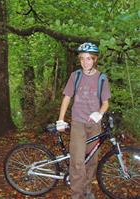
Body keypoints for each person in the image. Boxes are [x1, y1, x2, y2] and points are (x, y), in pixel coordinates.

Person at [56, 42, 111, 199]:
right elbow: (67, 97)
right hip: (78, 124)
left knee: (92, 160)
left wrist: (99, 113)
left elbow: (106, 102)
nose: (85, 62)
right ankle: (77, 194)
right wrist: (60, 119)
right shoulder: (76, 76)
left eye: (88, 59)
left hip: (94, 126)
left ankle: (87, 190)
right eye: (82, 59)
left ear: (94, 59)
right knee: (78, 161)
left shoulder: (102, 79)